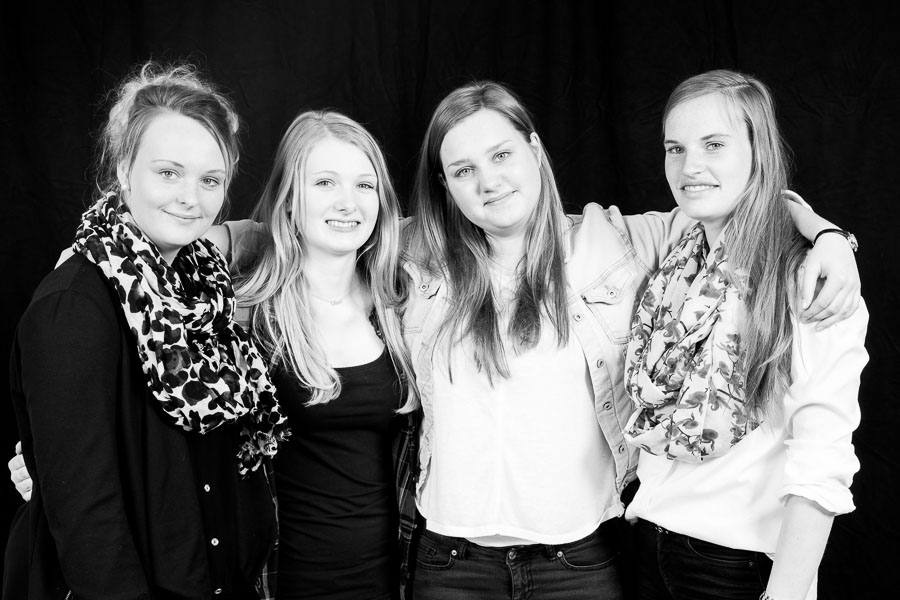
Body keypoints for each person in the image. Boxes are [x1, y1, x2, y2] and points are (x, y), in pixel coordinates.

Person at [398, 81, 861, 600]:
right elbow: (346, 228)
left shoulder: (615, 240)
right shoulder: (414, 259)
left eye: (501, 154)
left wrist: (829, 237)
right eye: (463, 170)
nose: (489, 181)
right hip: (454, 560)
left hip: (578, 560)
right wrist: (830, 236)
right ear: (445, 185)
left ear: (534, 149)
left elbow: (739, 203)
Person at [3, 62, 288, 600]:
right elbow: (87, 516)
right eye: (168, 172)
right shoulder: (75, 307)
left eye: (210, 180)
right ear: (123, 169)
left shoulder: (207, 289)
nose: (190, 197)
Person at [622, 70, 867, 600]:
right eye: (675, 148)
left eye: (714, 144)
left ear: (759, 152)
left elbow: (822, 463)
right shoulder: (676, 259)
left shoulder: (806, 277)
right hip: (646, 545)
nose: (690, 166)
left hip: (732, 569)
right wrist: (824, 227)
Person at [214, 110, 419, 599]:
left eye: (364, 185)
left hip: (395, 577)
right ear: (290, 199)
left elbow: (493, 224)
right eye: (325, 182)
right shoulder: (246, 312)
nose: (348, 202)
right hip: (279, 579)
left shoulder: (403, 304)